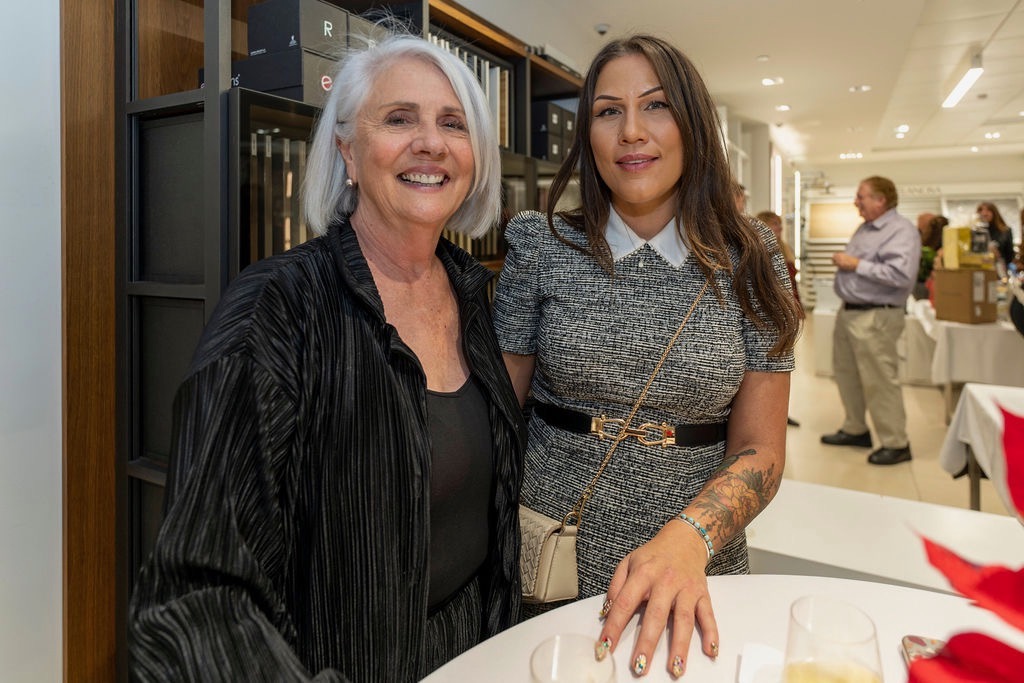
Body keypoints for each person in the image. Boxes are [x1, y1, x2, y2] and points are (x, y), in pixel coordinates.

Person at [128, 33, 525, 681]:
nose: (431, 142)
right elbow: (197, 594)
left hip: (477, 654)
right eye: (399, 119)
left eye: (453, 123)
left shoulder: (476, 298)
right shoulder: (277, 308)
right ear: (347, 150)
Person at [492, 35, 801, 679]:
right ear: (588, 135)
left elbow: (762, 451)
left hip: (701, 559)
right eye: (608, 111)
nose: (631, 131)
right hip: (551, 553)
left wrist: (690, 539)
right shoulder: (539, 244)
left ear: (693, 124)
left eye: (656, 106)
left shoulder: (752, 259)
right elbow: (496, 417)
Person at [820, 176, 920, 466]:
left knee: (880, 380)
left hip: (876, 315)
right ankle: (856, 428)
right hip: (850, 312)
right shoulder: (865, 228)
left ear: (881, 200)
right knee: (846, 373)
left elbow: (900, 275)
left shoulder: (901, 231)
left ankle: (896, 443)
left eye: (861, 196)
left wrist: (856, 264)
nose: (856, 202)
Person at [756, 210, 803, 427]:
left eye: (779, 225)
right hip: (768, 317)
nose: (778, 229)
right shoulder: (759, 249)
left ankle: (782, 411)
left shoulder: (783, 248)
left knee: (783, 366)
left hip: (785, 313)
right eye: (773, 225)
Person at [976, 201, 1015, 269]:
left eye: (988, 210)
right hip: (979, 267)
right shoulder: (975, 232)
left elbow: (1009, 256)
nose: (984, 213)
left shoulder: (1005, 231)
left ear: (994, 212)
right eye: (981, 210)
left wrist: (997, 255)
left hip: (999, 268)